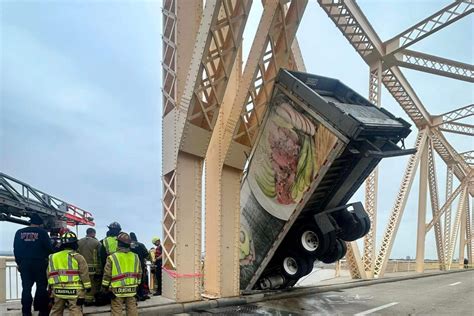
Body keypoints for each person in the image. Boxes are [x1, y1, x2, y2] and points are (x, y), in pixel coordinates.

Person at [13, 213, 53, 316]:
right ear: (40, 224)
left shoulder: (19, 232)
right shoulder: (42, 233)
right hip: (39, 263)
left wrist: (19, 263)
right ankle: (42, 311)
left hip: (25, 264)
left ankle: (26, 312)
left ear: (31, 222)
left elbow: (16, 249)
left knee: (26, 288)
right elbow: (49, 249)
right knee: (41, 287)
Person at [47, 231, 91, 316]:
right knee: (75, 310)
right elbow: (84, 274)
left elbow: (49, 274)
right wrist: (87, 287)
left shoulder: (52, 257)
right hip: (75, 290)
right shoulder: (78, 257)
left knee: (56, 310)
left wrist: (50, 290)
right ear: (75, 243)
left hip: (57, 290)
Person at [101, 232, 141, 316]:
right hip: (132, 288)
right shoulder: (135, 256)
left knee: (116, 309)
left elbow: (107, 275)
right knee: (132, 308)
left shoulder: (112, 257)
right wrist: (138, 284)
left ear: (118, 243)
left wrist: (104, 287)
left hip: (117, 289)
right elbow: (139, 273)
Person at [77, 227, 102, 305]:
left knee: (82, 284)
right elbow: (99, 257)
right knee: (92, 285)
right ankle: (89, 301)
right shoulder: (97, 243)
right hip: (92, 269)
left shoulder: (79, 242)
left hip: (80, 268)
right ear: (93, 233)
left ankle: (81, 298)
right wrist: (99, 270)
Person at [130, 232, 150, 300]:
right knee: (141, 280)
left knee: (132, 280)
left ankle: (133, 295)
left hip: (131, 266)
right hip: (140, 264)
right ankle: (141, 295)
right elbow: (146, 254)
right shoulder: (141, 245)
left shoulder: (128, 245)